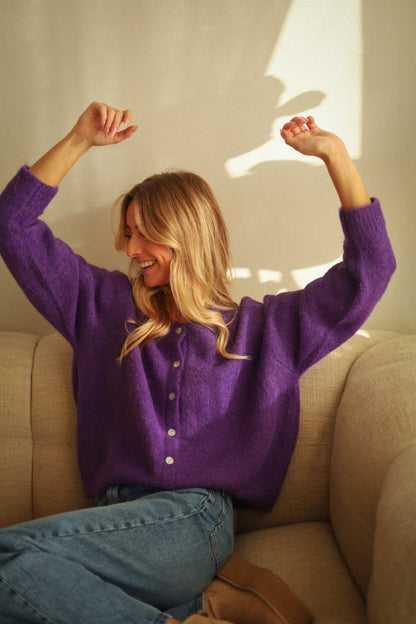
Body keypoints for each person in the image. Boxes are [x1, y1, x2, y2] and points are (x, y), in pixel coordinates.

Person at [0, 102, 395, 624]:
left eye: (144, 233)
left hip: (192, 522)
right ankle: (201, 610)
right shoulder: (102, 308)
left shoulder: (267, 329)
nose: (130, 249)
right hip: (116, 526)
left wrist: (335, 155)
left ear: (185, 234)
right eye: (128, 233)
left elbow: (371, 269)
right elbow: (12, 225)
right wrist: (79, 139)